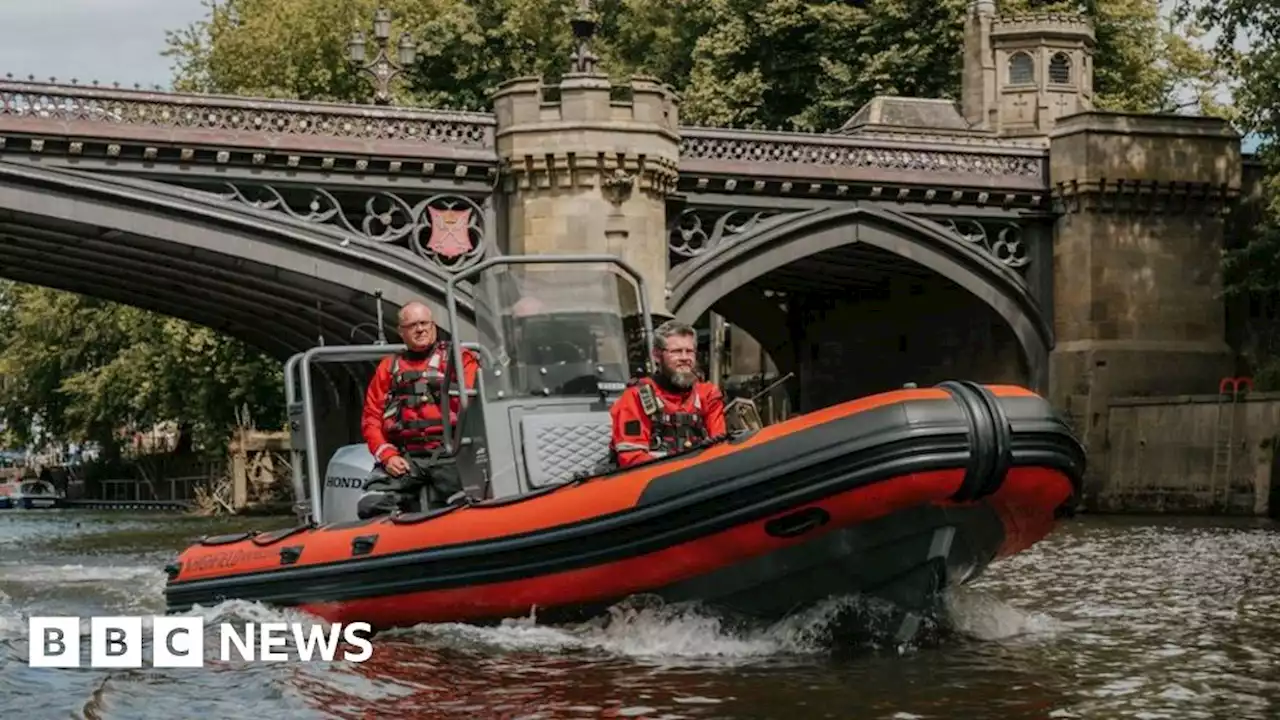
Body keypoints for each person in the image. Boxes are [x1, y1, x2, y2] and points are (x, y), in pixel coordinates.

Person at [358, 301, 481, 519]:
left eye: (424, 323)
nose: (420, 329)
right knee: (371, 504)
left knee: (471, 506)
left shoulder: (460, 359)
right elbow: (371, 418)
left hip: (451, 454)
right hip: (407, 457)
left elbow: (476, 405)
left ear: (433, 326)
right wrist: (387, 455)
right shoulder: (389, 367)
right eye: (413, 325)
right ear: (401, 331)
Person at [609, 319, 727, 468]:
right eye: (676, 352)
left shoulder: (708, 395)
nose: (685, 358)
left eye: (689, 351)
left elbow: (720, 448)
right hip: (656, 482)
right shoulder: (636, 397)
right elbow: (632, 457)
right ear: (657, 355)